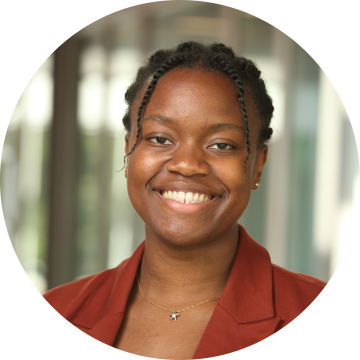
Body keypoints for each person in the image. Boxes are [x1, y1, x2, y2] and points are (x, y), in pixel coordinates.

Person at [44, 41, 326, 359]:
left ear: (258, 165)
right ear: (128, 150)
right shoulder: (53, 314)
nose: (187, 164)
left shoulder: (327, 319)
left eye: (221, 145)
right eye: (160, 139)